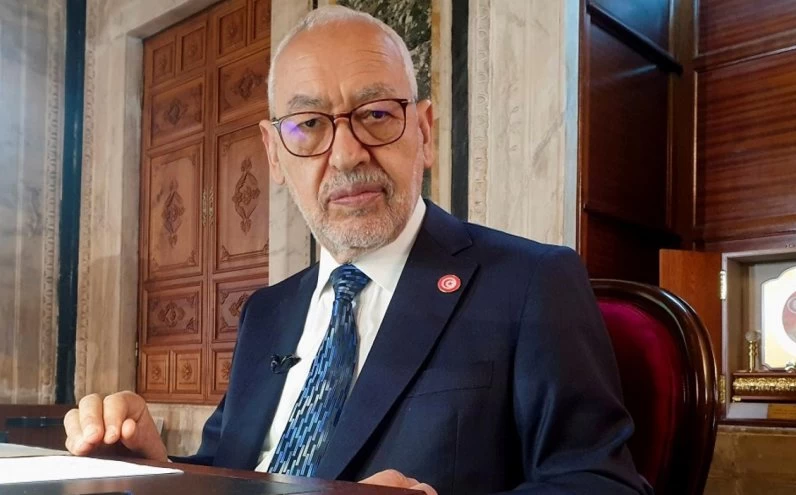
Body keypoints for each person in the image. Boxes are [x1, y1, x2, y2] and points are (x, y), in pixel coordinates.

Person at [64, 6, 651, 494]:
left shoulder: (529, 282)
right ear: (273, 154)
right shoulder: (266, 312)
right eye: (309, 125)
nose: (347, 155)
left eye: (376, 115)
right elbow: (234, 468)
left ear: (424, 131)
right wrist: (154, 469)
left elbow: (601, 483)